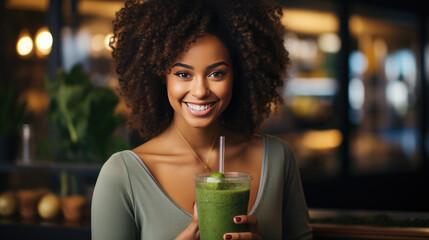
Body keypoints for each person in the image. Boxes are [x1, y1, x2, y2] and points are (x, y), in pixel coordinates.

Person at [91, 0, 313, 239]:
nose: (200, 90)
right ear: (159, 76)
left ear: (239, 74)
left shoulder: (278, 159)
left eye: (216, 73)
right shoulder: (122, 175)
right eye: (183, 74)